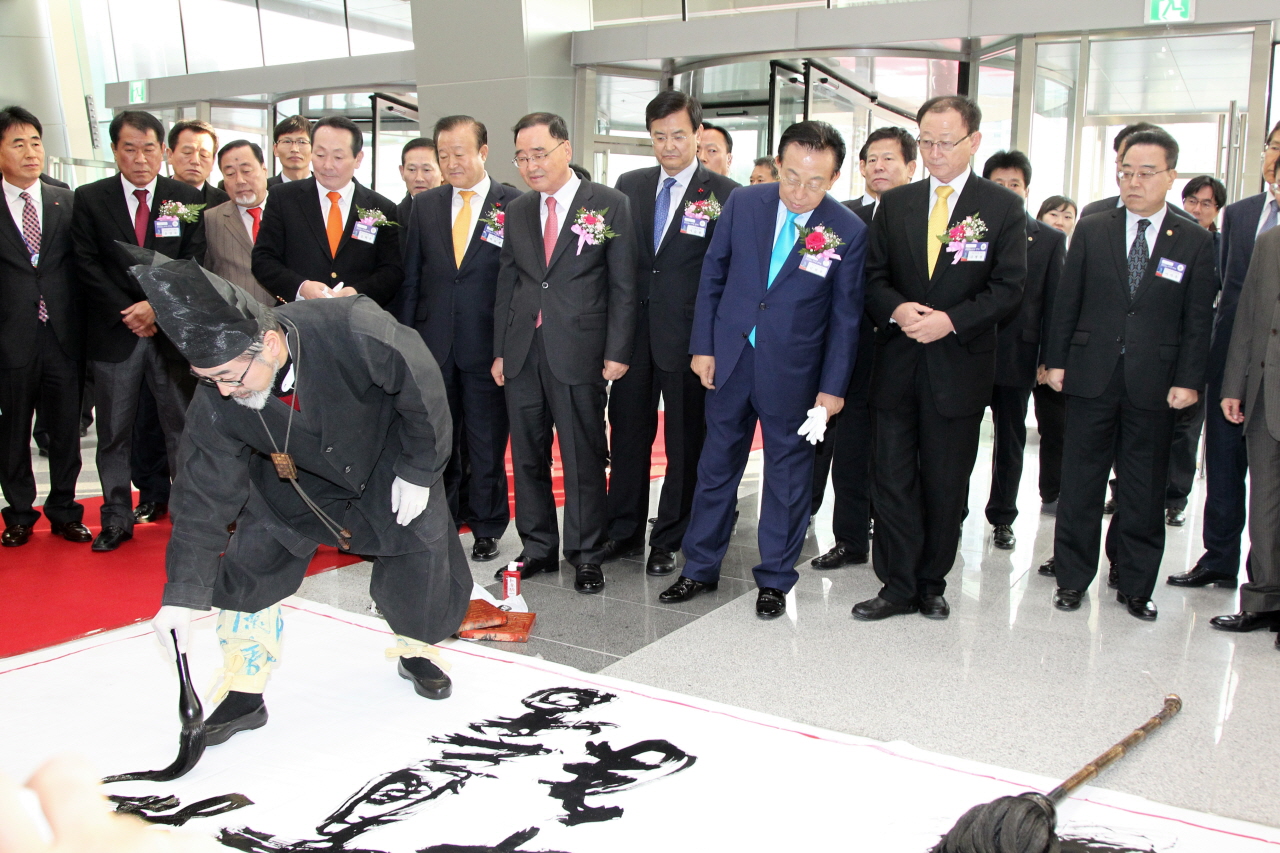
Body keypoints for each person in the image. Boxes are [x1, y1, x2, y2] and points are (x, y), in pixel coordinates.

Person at [141, 253, 470, 743]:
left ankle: (415, 649)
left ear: (269, 343)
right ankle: (244, 692)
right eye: (209, 380)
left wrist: (420, 470)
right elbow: (201, 495)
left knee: (419, 559)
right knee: (251, 563)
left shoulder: (353, 326)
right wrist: (181, 597)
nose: (225, 392)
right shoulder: (220, 395)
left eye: (231, 376)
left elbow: (420, 386)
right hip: (288, 479)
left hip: (384, 459)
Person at [660, 120, 866, 619]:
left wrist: (832, 390)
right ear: (777, 164)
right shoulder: (745, 203)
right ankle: (699, 567)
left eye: (815, 182)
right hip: (731, 358)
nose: (799, 191)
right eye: (791, 176)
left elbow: (846, 316)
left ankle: (775, 578)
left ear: (835, 178)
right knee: (715, 467)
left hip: (795, 371)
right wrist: (703, 345)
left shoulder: (847, 230)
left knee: (788, 478)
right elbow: (714, 272)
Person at [853, 95, 1026, 622]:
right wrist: (899, 308)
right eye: (926, 141)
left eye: (944, 142)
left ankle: (931, 582)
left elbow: (1009, 287)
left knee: (946, 481)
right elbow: (873, 278)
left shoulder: (1000, 206)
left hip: (959, 365)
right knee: (893, 477)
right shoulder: (899, 203)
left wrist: (951, 320)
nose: (933, 152)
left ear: (973, 141)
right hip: (898, 364)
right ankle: (896, 584)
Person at [1045, 129, 1218, 620]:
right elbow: (1067, 301)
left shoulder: (1194, 240)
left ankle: (1137, 584)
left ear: (1170, 176)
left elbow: (1197, 319)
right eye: (1125, 171)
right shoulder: (1094, 228)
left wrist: (1189, 380)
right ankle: (1073, 579)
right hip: (1090, 373)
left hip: (1155, 381)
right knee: (1080, 484)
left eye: (1146, 173)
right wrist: (1055, 360)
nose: (1134, 181)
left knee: (1143, 489)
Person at [492, 112, 637, 594]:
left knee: (582, 455)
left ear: (566, 151)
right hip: (523, 351)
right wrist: (500, 351)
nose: (531, 166)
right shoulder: (517, 209)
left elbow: (623, 284)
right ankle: (537, 548)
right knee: (528, 456)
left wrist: (618, 348)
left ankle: (586, 553)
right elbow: (508, 282)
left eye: (540, 154)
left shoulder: (609, 204)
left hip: (580, 349)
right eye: (521, 157)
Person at [603, 91, 740, 576]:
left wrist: (712, 345)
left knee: (685, 443)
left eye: (678, 135)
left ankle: (669, 535)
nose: (669, 145)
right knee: (628, 436)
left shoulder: (725, 194)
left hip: (689, 341)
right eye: (659, 136)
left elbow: (725, 277)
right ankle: (622, 531)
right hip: (633, 338)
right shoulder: (628, 185)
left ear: (699, 134)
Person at [71, 110, 205, 553]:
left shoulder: (183, 197)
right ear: (114, 151)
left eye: (149, 148)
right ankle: (115, 518)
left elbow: (192, 261)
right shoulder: (90, 198)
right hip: (116, 333)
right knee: (113, 431)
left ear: (163, 151)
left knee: (180, 428)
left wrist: (156, 307)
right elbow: (86, 263)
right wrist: (129, 310)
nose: (140, 158)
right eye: (129, 148)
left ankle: (189, 519)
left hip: (169, 335)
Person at [400, 115, 521, 562]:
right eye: (443, 154)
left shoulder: (514, 204)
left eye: (460, 153)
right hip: (434, 344)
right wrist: (407, 342)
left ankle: (488, 525)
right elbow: (413, 278)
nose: (451, 163)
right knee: (437, 437)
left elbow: (520, 286)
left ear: (483, 152)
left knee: (487, 440)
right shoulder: (426, 205)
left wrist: (507, 348)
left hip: (487, 347)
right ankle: (443, 519)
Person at [1170, 122, 1280, 590]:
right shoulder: (1240, 214)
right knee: (1223, 467)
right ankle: (1218, 559)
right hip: (1234, 362)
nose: (1275, 156)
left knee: (1270, 488)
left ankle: (1266, 579)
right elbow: (1231, 295)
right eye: (1273, 145)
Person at [811, 126, 917, 569]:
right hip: (847, 354)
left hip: (903, 352)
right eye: (871, 158)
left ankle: (899, 548)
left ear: (911, 167)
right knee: (849, 453)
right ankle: (850, 540)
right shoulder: (838, 215)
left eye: (889, 158)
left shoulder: (923, 217)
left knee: (898, 459)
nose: (879, 166)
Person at [0, 106, 90, 548]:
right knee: (13, 431)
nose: (31, 151)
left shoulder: (66, 201)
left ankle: (64, 510)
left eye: (35, 142)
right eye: (18, 143)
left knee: (64, 431)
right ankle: (18, 514)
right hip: (9, 338)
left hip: (62, 336)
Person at [978, 150, 1066, 550]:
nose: (1007, 191)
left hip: (1018, 356)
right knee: (957, 440)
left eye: (1014, 184)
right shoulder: (969, 232)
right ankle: (951, 512)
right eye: (998, 184)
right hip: (969, 353)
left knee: (1009, 442)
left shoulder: (1048, 240)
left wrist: (1049, 358)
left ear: (1026, 190)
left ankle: (1003, 517)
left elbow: (1054, 303)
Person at [252, 115, 402, 306]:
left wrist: (357, 292)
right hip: (297, 316)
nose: (327, 165)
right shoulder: (283, 198)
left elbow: (392, 270)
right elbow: (263, 259)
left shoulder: (382, 208)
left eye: (338, 157)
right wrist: (301, 287)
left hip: (358, 319)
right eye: (320, 155)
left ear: (358, 158)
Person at [1217, 226, 1280, 648]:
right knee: (1265, 505)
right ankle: (1262, 601)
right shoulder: (1270, 241)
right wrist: (1233, 384)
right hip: (1264, 394)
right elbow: (1248, 316)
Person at [1156, 175, 1226, 528]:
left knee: (1185, 431)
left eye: (1207, 204)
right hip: (1156, 349)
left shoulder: (1219, 245)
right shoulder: (1167, 239)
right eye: (1192, 201)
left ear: (1217, 211)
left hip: (1198, 350)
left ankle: (1175, 497)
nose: (1198, 209)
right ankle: (1123, 488)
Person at [1033, 194, 1076, 531]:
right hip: (1015, 352)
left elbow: (1059, 311)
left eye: (1067, 215)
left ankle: (1052, 493)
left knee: (1055, 427)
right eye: (1054, 213)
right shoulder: (1029, 243)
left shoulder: (1079, 251)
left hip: (1052, 358)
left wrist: (1051, 358)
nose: (1060, 221)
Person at [204, 140, 275, 307]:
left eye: (247, 170)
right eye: (230, 174)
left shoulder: (290, 212)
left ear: (264, 170)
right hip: (236, 320)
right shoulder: (210, 220)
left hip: (289, 317)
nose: (240, 180)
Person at [166, 120, 229, 207]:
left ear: (213, 161)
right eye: (187, 152)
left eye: (204, 155)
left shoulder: (226, 203)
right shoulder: (151, 195)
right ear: (170, 155)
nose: (195, 161)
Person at [397, 137, 442, 225]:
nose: (419, 178)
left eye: (426, 170)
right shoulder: (393, 217)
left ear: (443, 172)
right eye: (412, 169)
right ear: (402, 172)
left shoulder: (458, 211)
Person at [267, 114, 312, 186]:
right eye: (287, 141)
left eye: (302, 142)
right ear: (275, 149)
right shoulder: (265, 189)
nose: (294, 149)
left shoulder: (326, 187)